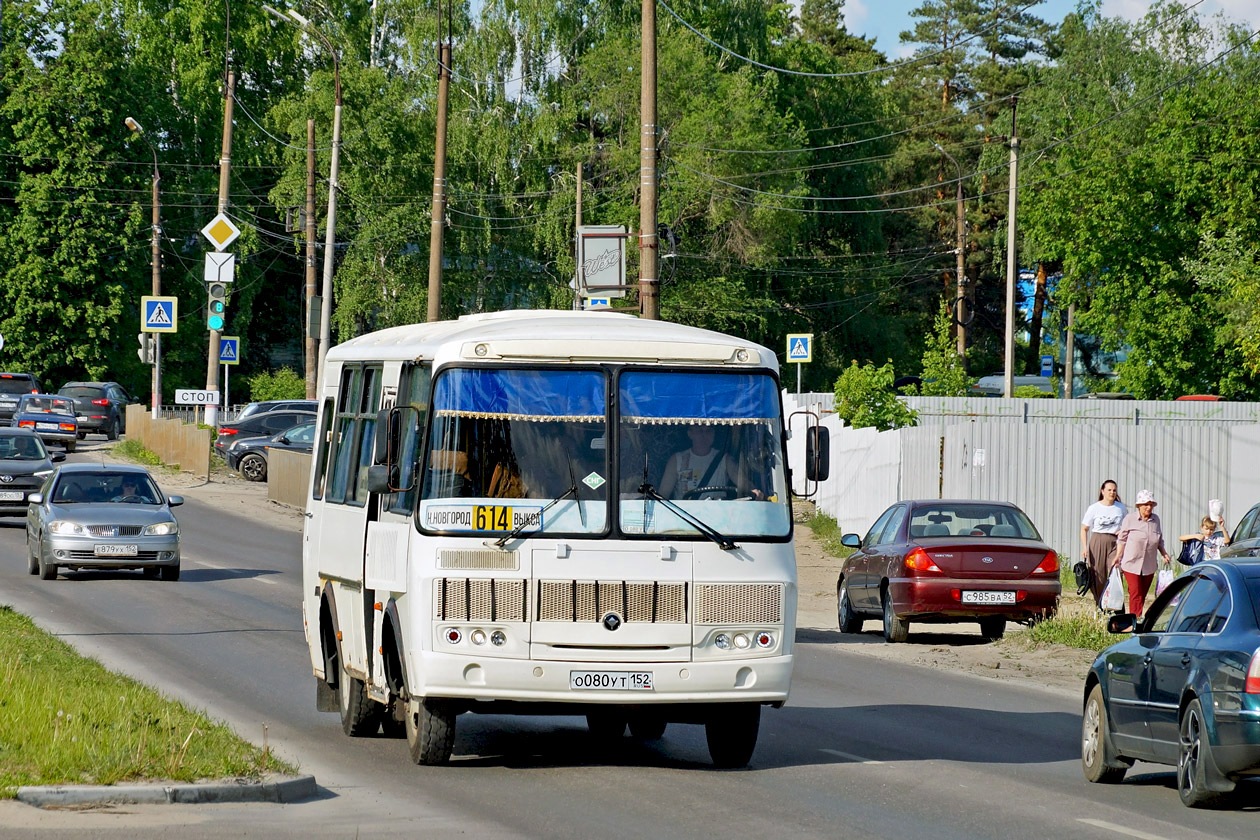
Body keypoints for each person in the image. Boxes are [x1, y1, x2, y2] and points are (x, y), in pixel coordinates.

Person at [1113, 489, 1172, 619]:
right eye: (1145, 504)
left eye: (1151, 504)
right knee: (1135, 592)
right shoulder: (1130, 519)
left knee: (1143, 593)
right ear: (1139, 505)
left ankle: (1138, 618)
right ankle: (1134, 619)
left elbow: (1159, 540)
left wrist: (1164, 553)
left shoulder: (1156, 520)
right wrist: (1118, 556)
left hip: (1148, 564)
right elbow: (1122, 539)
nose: (1148, 507)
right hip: (1131, 562)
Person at [659, 424, 740, 500]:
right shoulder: (677, 460)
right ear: (690, 434)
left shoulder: (725, 459)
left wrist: (751, 491)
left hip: (717, 512)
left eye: (708, 431)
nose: (704, 436)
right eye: (700, 431)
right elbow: (663, 495)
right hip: (683, 513)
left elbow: (744, 484)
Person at [1079, 479, 1126, 607]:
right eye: (1109, 490)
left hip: (1114, 542)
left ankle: (1115, 605)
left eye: (1114, 490)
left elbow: (1126, 526)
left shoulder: (1120, 508)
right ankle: (1100, 604)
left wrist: (1121, 531)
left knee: (1115, 571)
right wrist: (1084, 547)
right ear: (1102, 491)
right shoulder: (1094, 508)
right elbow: (1084, 528)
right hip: (1098, 541)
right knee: (1098, 575)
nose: (1112, 492)